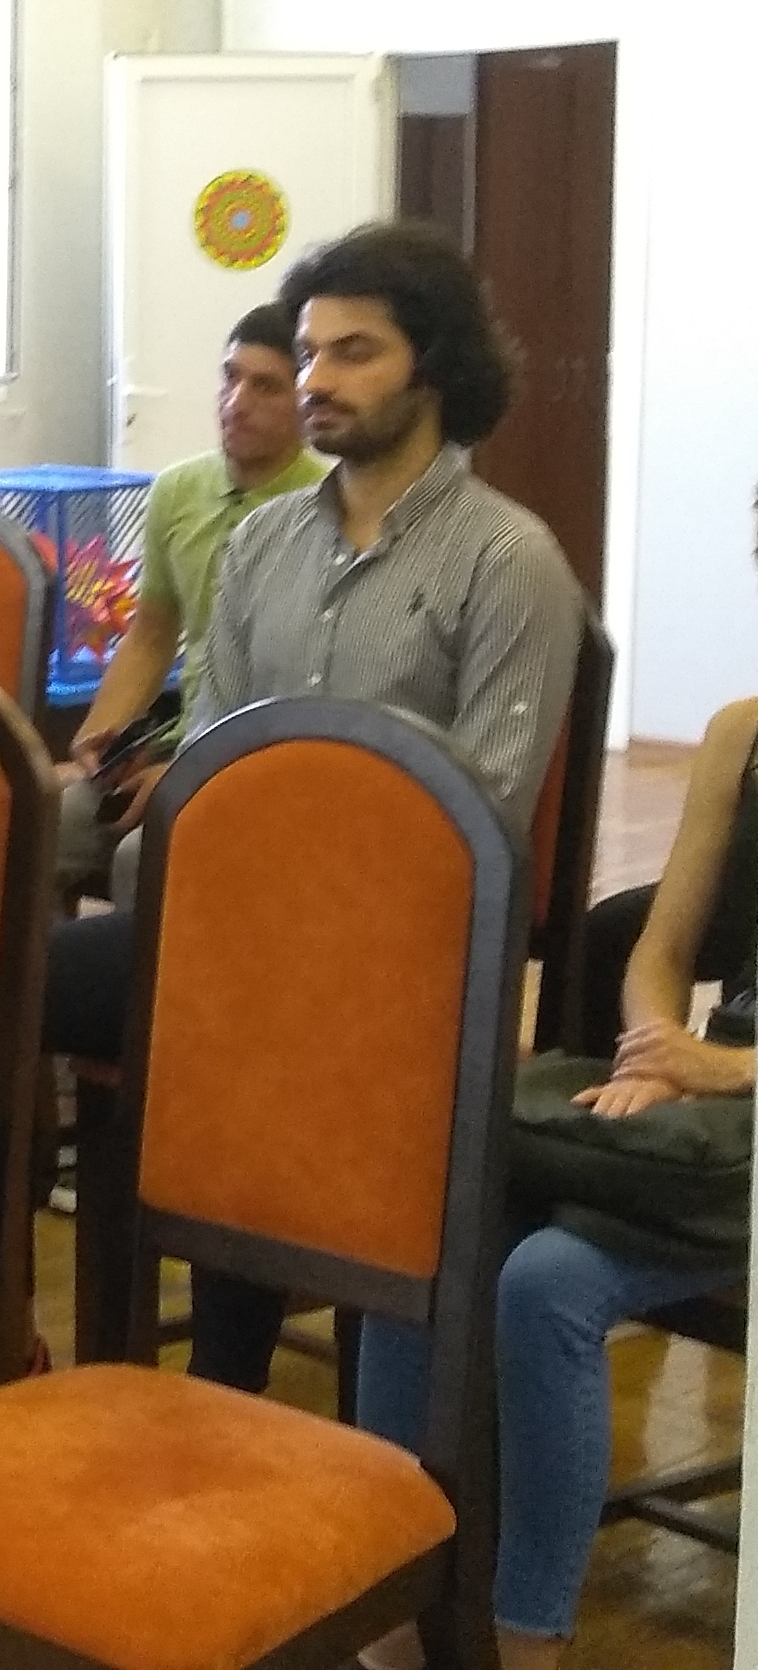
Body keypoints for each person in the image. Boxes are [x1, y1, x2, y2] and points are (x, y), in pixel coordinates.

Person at [44, 218, 587, 1390]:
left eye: (353, 352)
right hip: (250, 926)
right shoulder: (262, 544)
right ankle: (50, 1347)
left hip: (402, 951)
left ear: (433, 367)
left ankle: (269, 1389)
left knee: (246, 1036)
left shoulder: (508, 558)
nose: (314, 380)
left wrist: (296, 906)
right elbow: (215, 762)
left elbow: (481, 816)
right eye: (306, 352)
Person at [354, 673, 758, 1670]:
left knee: (546, 1281)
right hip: (705, 1098)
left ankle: (526, 1637)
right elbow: (658, 950)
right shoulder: (740, 732)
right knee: (430, 1215)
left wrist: (726, 1067)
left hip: (736, 1092)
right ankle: (390, 1605)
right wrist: (654, 1050)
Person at [55, 302, 324, 890]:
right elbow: (151, 635)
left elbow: (300, 688)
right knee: (47, 821)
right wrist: (97, 744)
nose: (236, 403)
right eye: (230, 377)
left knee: (145, 856)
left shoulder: (327, 505)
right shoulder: (178, 489)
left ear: (306, 401)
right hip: (176, 738)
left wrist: (191, 773)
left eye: (266, 387)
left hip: (261, 756)